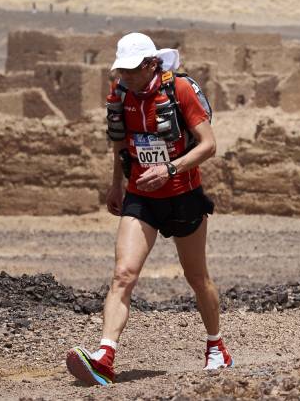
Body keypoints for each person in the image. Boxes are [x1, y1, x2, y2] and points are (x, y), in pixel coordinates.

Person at [66, 32, 232, 386]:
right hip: (141, 198)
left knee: (197, 278)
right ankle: (105, 355)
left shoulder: (180, 90)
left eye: (129, 70)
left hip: (183, 195)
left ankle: (216, 346)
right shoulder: (120, 94)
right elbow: (120, 144)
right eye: (120, 70)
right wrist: (116, 183)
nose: (123, 76)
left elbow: (209, 145)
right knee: (123, 275)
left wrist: (170, 168)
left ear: (150, 64)